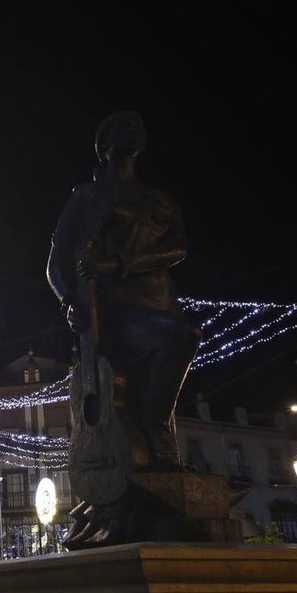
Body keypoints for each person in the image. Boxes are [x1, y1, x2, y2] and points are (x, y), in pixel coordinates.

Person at [47, 110, 201, 548]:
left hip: (159, 300)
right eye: (121, 127)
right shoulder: (87, 197)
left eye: (138, 128)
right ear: (103, 144)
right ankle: (155, 436)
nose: (132, 130)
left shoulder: (158, 198)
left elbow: (179, 247)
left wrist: (120, 263)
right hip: (114, 311)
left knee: (172, 345)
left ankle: (154, 440)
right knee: (180, 338)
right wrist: (69, 301)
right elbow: (57, 262)